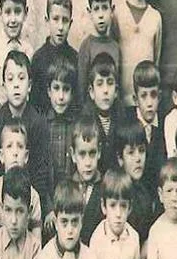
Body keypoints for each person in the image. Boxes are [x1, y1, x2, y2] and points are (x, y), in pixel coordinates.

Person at [0, 50, 52, 224]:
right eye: (10, 79)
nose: (16, 85)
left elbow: (40, 172)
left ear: (29, 85)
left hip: (28, 200)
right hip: (1, 199)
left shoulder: (38, 122)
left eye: (21, 78)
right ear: (4, 85)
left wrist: (39, 207)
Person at [113, 0, 162, 107]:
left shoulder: (155, 18)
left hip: (146, 104)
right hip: (122, 102)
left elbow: (156, 60)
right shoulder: (117, 14)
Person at [0, 121, 42, 241]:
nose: (15, 153)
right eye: (9, 146)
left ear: (26, 156)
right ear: (1, 156)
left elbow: (37, 240)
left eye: (20, 146)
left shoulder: (33, 195)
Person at [30, 0, 78, 114]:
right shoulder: (38, 59)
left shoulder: (75, 58)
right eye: (56, 19)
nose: (60, 27)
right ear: (47, 21)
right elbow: (34, 104)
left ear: (70, 23)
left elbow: (77, 102)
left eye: (65, 20)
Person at [114, 120, 156, 258]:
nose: (138, 158)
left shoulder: (144, 193)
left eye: (141, 151)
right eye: (131, 153)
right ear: (120, 158)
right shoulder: (115, 192)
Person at [78, 0, 120, 99]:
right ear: (89, 12)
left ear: (112, 10)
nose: (101, 15)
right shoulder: (86, 46)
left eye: (104, 8)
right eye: (96, 9)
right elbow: (82, 89)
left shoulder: (115, 47)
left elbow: (118, 88)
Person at [129, 60, 166, 193]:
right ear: (135, 99)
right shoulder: (128, 122)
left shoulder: (165, 123)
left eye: (153, 95)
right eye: (143, 96)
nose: (149, 103)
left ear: (159, 97)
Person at [82, 53, 123, 176]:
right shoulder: (85, 122)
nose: (105, 90)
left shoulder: (122, 119)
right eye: (100, 84)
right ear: (91, 92)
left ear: (116, 91)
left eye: (110, 83)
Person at [45, 55, 79, 190]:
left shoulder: (77, 125)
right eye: (56, 88)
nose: (61, 97)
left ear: (72, 92)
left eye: (66, 89)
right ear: (49, 91)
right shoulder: (42, 125)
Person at [69, 115, 104, 245]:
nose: (88, 163)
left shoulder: (105, 188)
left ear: (99, 152)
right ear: (73, 155)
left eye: (92, 153)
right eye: (82, 154)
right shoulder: (68, 187)